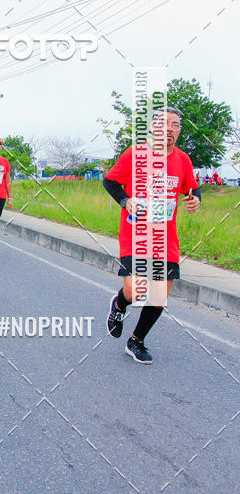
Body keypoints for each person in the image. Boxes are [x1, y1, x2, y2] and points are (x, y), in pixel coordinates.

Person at [104, 107, 200, 364]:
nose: (169, 128)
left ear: (179, 131)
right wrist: (125, 200)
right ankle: (120, 305)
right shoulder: (135, 153)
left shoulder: (183, 160)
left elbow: (192, 188)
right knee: (135, 290)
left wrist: (194, 200)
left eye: (175, 124)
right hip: (136, 235)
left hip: (165, 238)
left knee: (159, 296)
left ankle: (136, 340)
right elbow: (110, 181)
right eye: (163, 123)